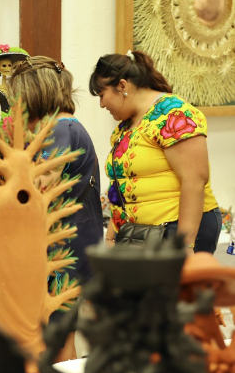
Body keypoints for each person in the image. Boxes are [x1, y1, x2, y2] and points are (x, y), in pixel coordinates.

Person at [90, 50, 220, 253]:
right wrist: (112, 234)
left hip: (177, 231)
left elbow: (194, 180)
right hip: (142, 233)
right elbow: (121, 183)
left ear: (122, 86)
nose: (101, 104)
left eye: (102, 95)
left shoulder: (173, 113)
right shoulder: (127, 125)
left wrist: (185, 246)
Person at [8, 56, 103, 286]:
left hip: (65, 247)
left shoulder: (58, 129)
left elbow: (38, 186)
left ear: (31, 96)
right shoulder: (70, 126)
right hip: (80, 238)